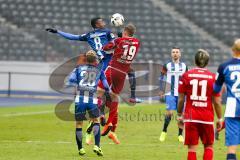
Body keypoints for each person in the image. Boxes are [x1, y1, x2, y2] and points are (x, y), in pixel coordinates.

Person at [98, 24, 140, 144]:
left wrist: (111, 43)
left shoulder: (119, 40)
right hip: (123, 72)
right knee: (114, 97)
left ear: (125, 31)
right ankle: (109, 123)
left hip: (112, 68)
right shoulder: (137, 42)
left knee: (99, 91)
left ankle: (101, 113)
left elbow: (106, 48)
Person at [177, 49, 223, 160]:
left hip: (191, 117)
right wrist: (220, 118)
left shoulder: (186, 76)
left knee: (192, 148)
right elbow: (216, 102)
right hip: (206, 117)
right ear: (207, 62)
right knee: (208, 146)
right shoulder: (213, 78)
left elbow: (181, 99)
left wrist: (179, 114)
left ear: (195, 61)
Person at [65, 50, 111, 156]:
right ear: (95, 60)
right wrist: (107, 93)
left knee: (79, 124)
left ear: (85, 59)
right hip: (92, 100)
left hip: (80, 99)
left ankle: (81, 149)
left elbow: (70, 81)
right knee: (96, 121)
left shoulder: (78, 69)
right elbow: (106, 86)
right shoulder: (99, 71)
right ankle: (97, 146)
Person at [214, 39, 240, 160]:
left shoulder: (224, 67)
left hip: (232, 107)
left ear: (232, 50)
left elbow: (215, 90)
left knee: (231, 149)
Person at [159, 47, 188, 142]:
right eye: (173, 52)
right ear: (171, 54)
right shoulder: (166, 65)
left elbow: (187, 79)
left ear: (180, 54)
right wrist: (161, 89)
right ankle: (164, 131)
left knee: (181, 115)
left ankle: (180, 134)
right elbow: (161, 77)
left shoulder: (184, 66)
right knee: (170, 113)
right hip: (170, 92)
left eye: (177, 52)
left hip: (181, 94)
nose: (175, 53)